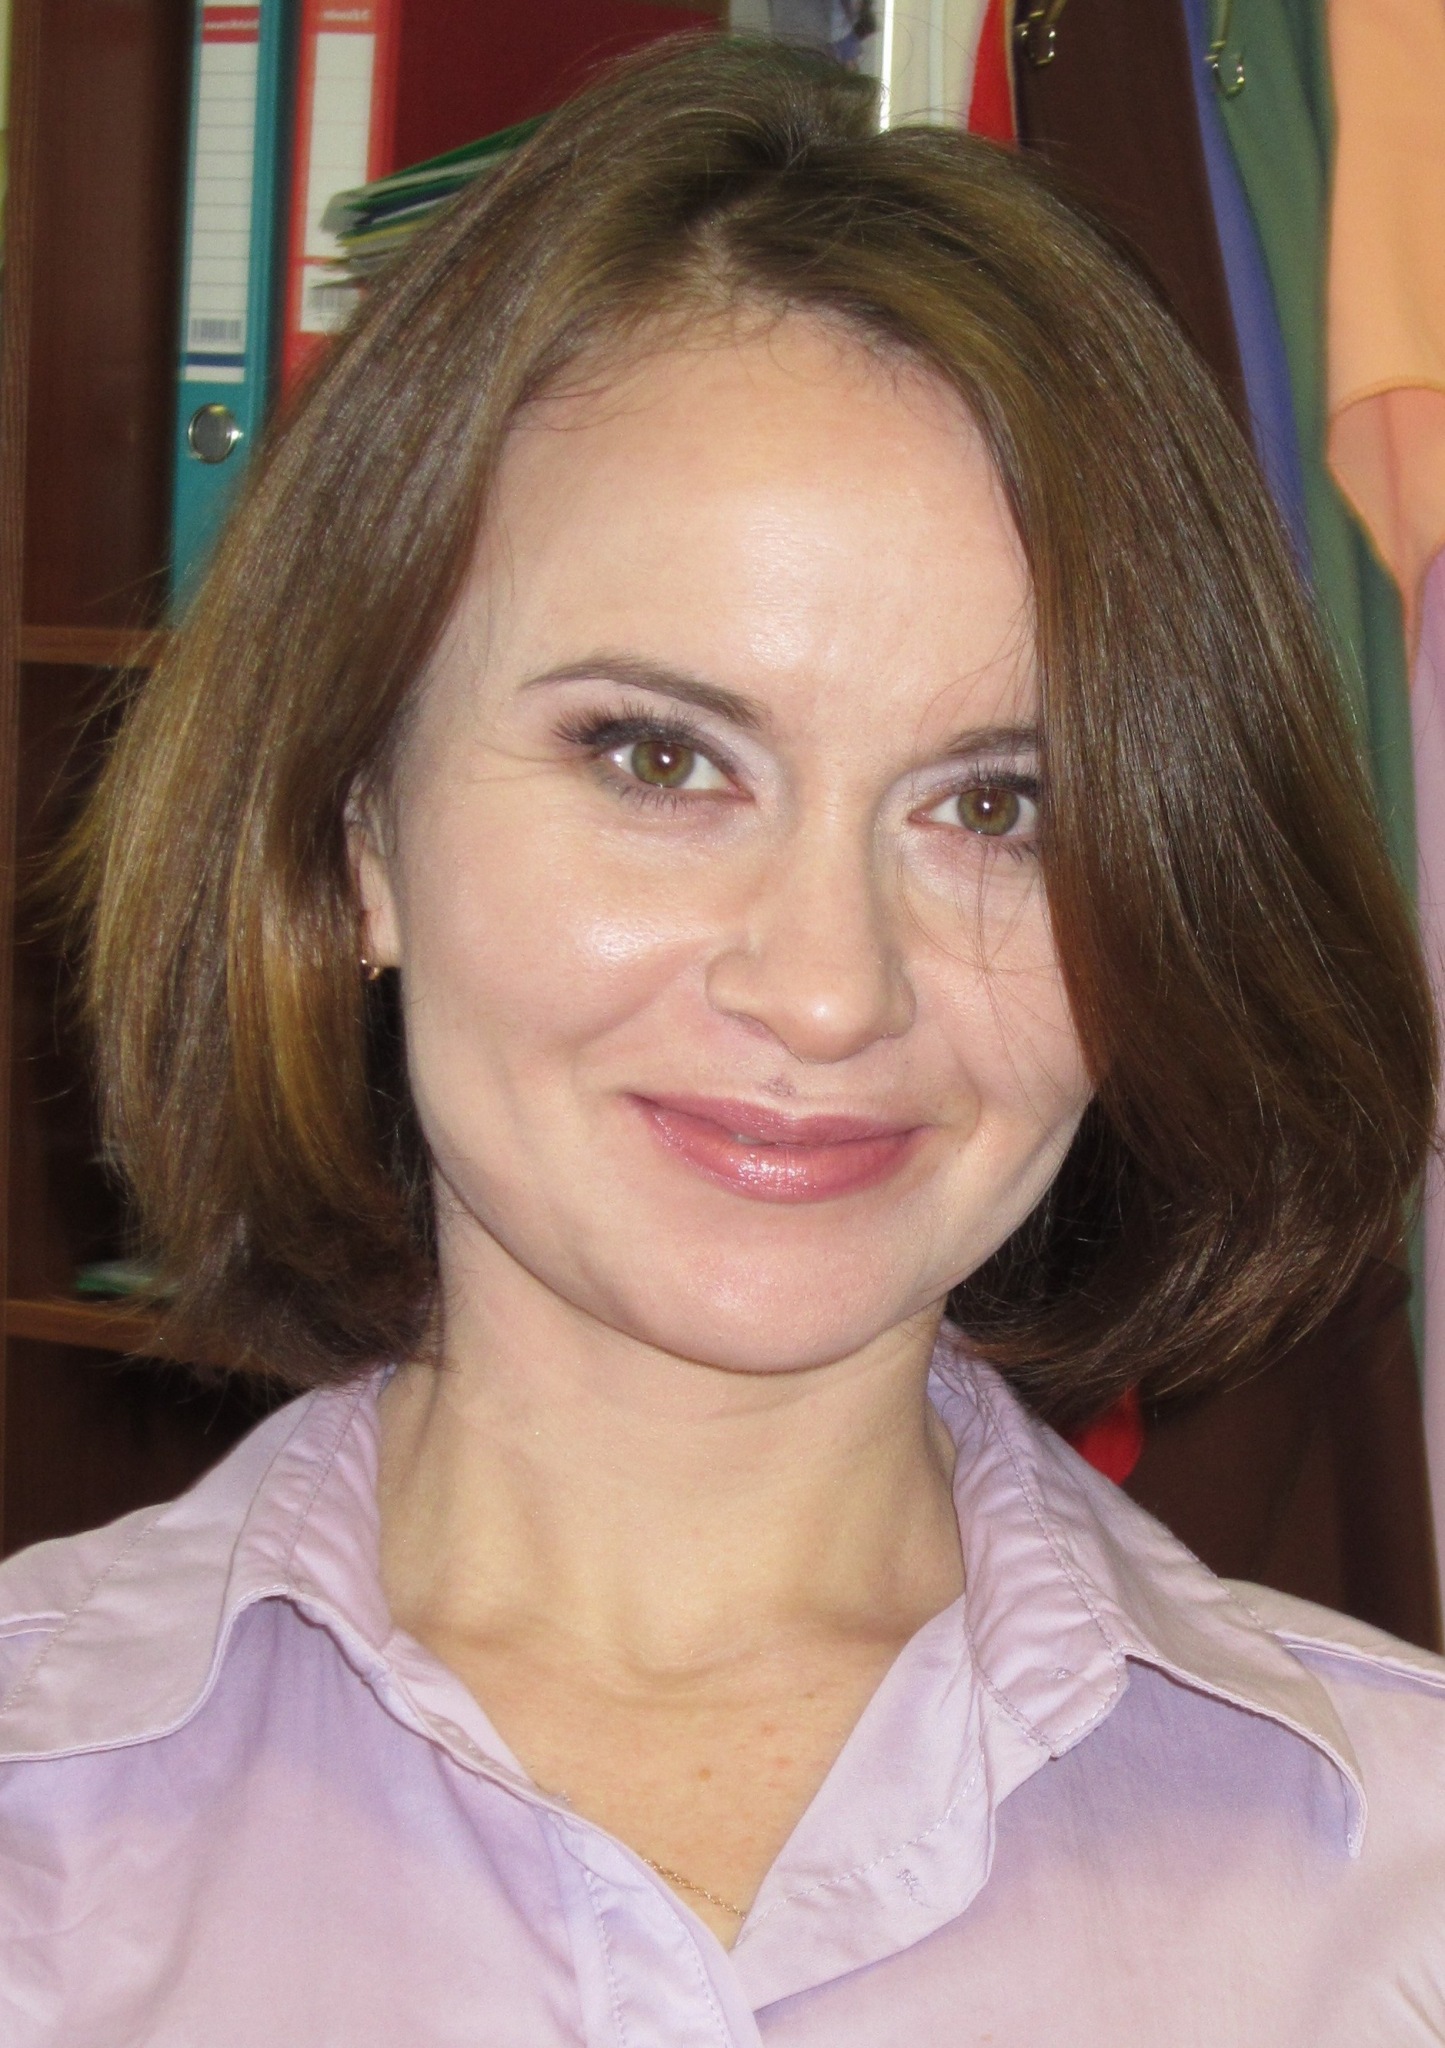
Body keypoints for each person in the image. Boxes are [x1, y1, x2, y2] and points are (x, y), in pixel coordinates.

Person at [2, 35, 1443, 2045]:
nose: (830, 986)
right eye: (660, 759)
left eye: (997, 804)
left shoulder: (1398, 1880)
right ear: (355, 828)